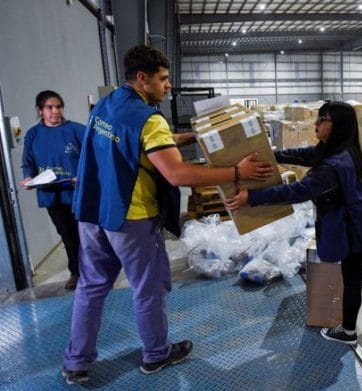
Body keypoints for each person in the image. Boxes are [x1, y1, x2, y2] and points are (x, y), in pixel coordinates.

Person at [61, 45, 273, 385]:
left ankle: (76, 363)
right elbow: (177, 175)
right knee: (148, 288)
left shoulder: (107, 104)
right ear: (143, 79)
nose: (169, 85)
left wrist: (195, 137)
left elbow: (144, 141)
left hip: (91, 212)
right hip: (131, 218)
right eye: (163, 79)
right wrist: (237, 171)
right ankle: (156, 354)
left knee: (91, 287)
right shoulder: (150, 119)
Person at [226, 101, 362, 346]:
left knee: (352, 276)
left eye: (323, 120)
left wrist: (252, 197)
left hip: (359, 228)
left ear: (338, 126)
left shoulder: (333, 165)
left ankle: (349, 332)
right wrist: (270, 157)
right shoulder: (338, 150)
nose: (316, 124)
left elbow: (296, 192)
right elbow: (304, 155)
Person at [20, 90, 83, 290]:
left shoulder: (77, 130)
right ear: (40, 111)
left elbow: (93, 157)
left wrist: (82, 176)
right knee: (66, 234)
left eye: (58, 106)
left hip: (77, 193)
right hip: (52, 195)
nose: (55, 111)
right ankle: (76, 272)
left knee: (86, 233)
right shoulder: (33, 135)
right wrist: (29, 179)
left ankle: (95, 270)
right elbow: (27, 163)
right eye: (49, 108)